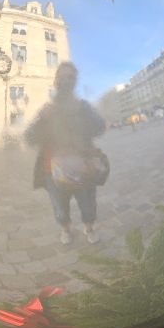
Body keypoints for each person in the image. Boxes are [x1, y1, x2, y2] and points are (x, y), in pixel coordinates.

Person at [25, 62, 106, 245]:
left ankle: (89, 228)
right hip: (52, 170)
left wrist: (83, 115)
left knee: (88, 205)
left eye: (70, 77)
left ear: (75, 81)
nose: (66, 80)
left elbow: (100, 127)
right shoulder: (46, 110)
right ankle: (66, 229)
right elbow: (29, 138)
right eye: (62, 77)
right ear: (55, 81)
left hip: (83, 167)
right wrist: (42, 120)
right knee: (60, 208)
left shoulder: (83, 106)